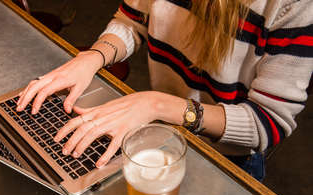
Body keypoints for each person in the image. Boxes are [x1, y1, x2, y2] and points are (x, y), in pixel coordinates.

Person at [16, 0, 313, 181]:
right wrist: (94, 57)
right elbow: (132, 20)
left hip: (226, 160)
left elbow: (269, 122)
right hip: (159, 134)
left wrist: (157, 105)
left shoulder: (294, 6)